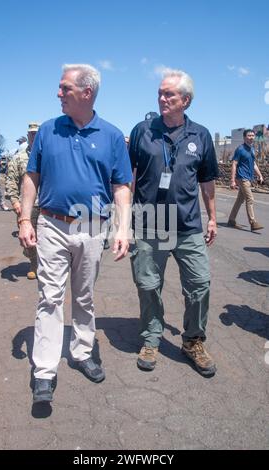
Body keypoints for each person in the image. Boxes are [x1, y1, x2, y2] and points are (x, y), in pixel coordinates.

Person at [19, 63, 132, 403]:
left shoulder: (111, 135)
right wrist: (25, 219)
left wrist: (122, 228)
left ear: (86, 93)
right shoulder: (50, 130)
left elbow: (122, 186)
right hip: (51, 224)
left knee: (84, 296)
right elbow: (31, 177)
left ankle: (83, 352)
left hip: (92, 227)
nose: (58, 93)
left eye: (64, 88)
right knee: (50, 298)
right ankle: (44, 370)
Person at [129, 69, 218, 377]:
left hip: (188, 224)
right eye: (160, 93)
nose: (162, 98)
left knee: (199, 284)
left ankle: (193, 340)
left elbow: (207, 181)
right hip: (149, 222)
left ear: (186, 100)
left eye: (169, 94)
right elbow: (129, 177)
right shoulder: (143, 130)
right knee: (148, 284)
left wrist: (213, 219)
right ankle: (151, 337)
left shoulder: (201, 135)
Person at [5, 123, 40, 279]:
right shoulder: (19, 158)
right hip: (28, 206)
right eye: (32, 134)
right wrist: (15, 202)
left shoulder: (49, 156)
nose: (34, 136)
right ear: (28, 136)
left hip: (48, 204)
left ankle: (45, 264)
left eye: (37, 134)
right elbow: (10, 180)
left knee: (48, 238)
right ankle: (34, 263)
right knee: (28, 239)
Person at [227, 129, 264, 231]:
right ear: (244, 137)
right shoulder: (240, 149)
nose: (251, 137)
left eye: (253, 135)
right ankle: (253, 222)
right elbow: (234, 164)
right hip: (242, 177)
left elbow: (254, 164)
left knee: (239, 200)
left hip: (248, 177)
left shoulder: (251, 149)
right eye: (249, 135)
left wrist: (260, 175)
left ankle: (231, 220)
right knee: (250, 199)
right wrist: (232, 180)